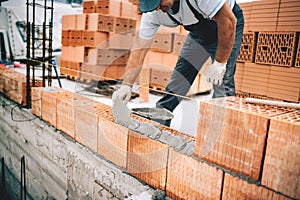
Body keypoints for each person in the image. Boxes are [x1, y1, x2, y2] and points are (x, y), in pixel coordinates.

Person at [112, 0, 244, 126]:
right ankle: (159, 124)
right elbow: (139, 50)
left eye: (159, 2)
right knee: (179, 78)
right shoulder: (152, 14)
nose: (157, 8)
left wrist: (220, 64)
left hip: (227, 24)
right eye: (152, 5)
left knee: (223, 83)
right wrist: (126, 85)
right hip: (199, 35)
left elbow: (228, 21)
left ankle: (221, 134)